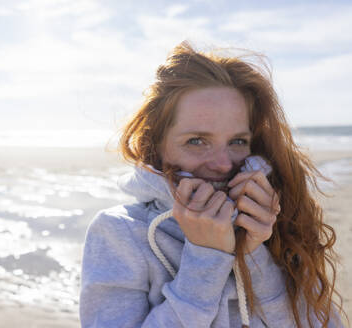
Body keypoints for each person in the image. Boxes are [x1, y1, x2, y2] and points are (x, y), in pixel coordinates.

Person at [79, 41, 347, 327]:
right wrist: (206, 258)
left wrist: (255, 254)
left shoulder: (278, 221)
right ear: (156, 145)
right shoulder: (120, 233)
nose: (222, 164)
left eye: (237, 142)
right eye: (196, 141)